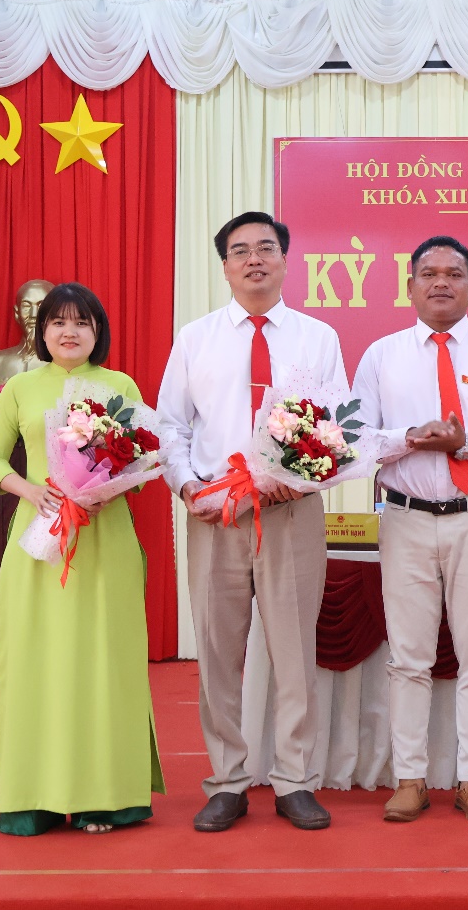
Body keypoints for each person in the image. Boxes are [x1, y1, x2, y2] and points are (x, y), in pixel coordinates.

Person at [158, 211, 347, 833]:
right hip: (215, 513)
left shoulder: (318, 337)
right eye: (240, 251)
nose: (254, 259)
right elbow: (171, 424)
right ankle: (228, 781)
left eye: (266, 247)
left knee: (294, 653)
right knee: (217, 653)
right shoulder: (196, 338)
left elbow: (336, 426)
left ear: (286, 260)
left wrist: (294, 480)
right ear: (225, 267)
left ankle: (295, 781)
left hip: (290, 512)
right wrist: (187, 485)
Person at [352, 235, 468, 824]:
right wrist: (410, 438)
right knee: (407, 656)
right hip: (404, 518)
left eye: (454, 274)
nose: (441, 282)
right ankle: (409, 779)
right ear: (409, 286)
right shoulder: (381, 355)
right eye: (429, 273)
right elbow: (355, 441)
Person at [0, 282, 165, 836]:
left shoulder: (120, 385)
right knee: (37, 662)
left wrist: (108, 487)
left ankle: (105, 798)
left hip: (106, 539)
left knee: (104, 662)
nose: (70, 332)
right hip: (40, 540)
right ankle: (33, 799)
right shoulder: (20, 387)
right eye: (58, 322)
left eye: (82, 322)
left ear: (97, 332)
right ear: (42, 332)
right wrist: (30, 489)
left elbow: (143, 459)